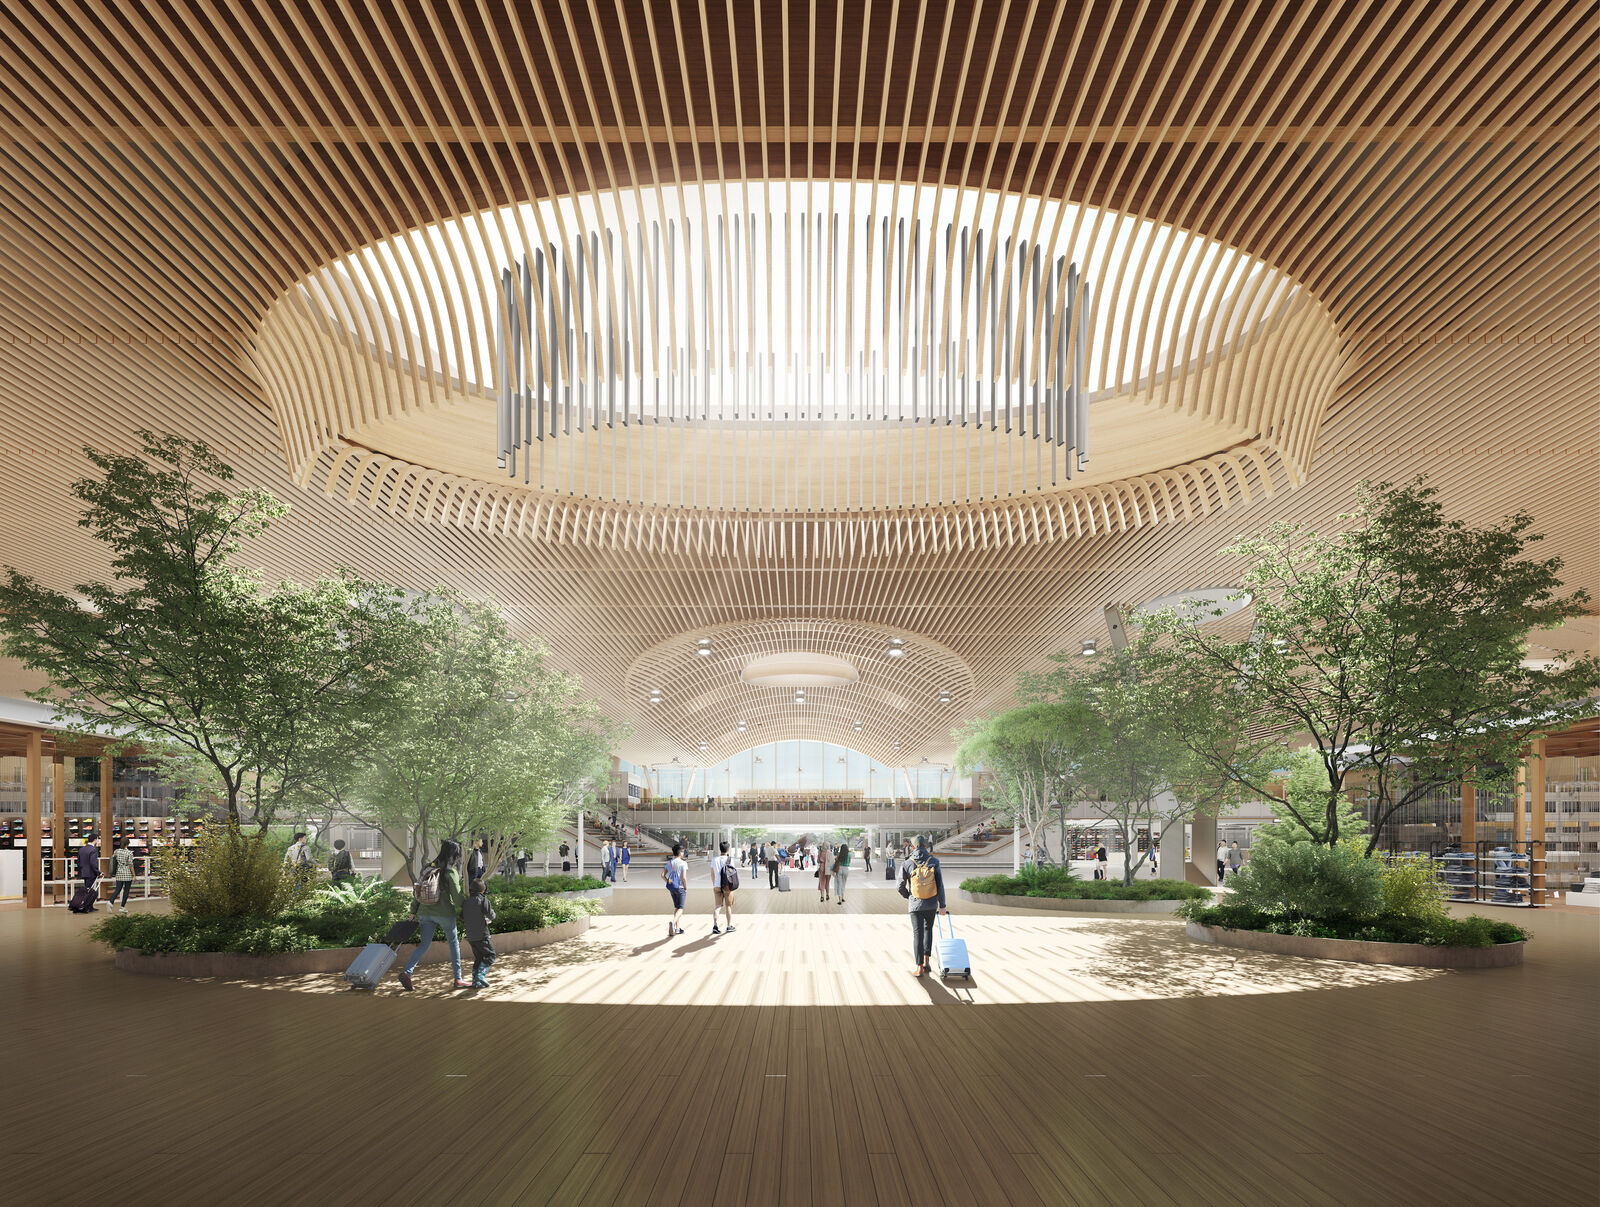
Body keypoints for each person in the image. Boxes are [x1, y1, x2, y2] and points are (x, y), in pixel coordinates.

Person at [399, 840, 468, 991]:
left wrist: (413, 911)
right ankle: (458, 979)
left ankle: (407, 972)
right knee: (453, 944)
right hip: (444, 914)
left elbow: (417, 891)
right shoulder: (450, 872)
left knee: (424, 945)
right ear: (455, 854)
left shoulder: (427, 868)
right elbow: (457, 899)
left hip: (424, 912)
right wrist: (469, 907)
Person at [898, 835, 947, 976]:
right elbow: (940, 885)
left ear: (912, 847)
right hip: (931, 903)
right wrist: (942, 905)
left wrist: (908, 896)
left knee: (917, 934)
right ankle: (926, 961)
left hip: (915, 905)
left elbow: (899, 885)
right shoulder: (934, 861)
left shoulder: (907, 863)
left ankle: (919, 967)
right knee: (928, 930)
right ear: (925, 846)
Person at [463, 876, 496, 989]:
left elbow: (462, 917)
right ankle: (480, 976)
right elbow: (491, 915)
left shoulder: (466, 902)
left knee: (479, 958)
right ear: (483, 890)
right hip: (482, 935)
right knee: (490, 956)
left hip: (471, 937)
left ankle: (474, 982)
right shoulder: (483, 900)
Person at [709, 840, 736, 934]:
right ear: (728, 849)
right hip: (727, 886)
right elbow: (732, 873)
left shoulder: (714, 859)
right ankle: (729, 926)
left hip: (717, 885)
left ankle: (715, 926)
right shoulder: (730, 859)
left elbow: (712, 874)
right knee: (728, 906)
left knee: (717, 906)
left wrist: (715, 883)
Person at [663, 841, 689, 937]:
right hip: (680, 888)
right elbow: (684, 878)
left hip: (672, 888)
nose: (683, 853)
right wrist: (686, 888)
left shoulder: (668, 863)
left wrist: (668, 882)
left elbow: (662, 875)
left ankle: (677, 929)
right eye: (682, 852)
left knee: (676, 907)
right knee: (681, 908)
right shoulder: (683, 863)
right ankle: (673, 923)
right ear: (680, 853)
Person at [75, 832, 100, 911]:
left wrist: (82, 869)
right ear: (95, 840)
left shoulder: (82, 849)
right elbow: (93, 863)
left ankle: (89, 906)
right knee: (90, 891)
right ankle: (86, 907)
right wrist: (98, 872)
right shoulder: (93, 850)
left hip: (84, 872)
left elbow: (78, 862)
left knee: (87, 889)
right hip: (91, 873)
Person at [109, 836, 135, 911]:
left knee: (117, 889)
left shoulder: (116, 851)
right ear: (128, 844)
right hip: (127, 874)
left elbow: (113, 860)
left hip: (119, 873)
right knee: (126, 891)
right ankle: (122, 907)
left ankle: (111, 902)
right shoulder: (129, 853)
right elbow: (131, 865)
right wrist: (134, 875)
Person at [834, 838, 851, 904]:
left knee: (839, 884)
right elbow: (849, 862)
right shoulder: (849, 855)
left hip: (839, 869)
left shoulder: (839, 854)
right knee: (843, 884)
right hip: (846, 869)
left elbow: (836, 861)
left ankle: (840, 900)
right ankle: (843, 897)